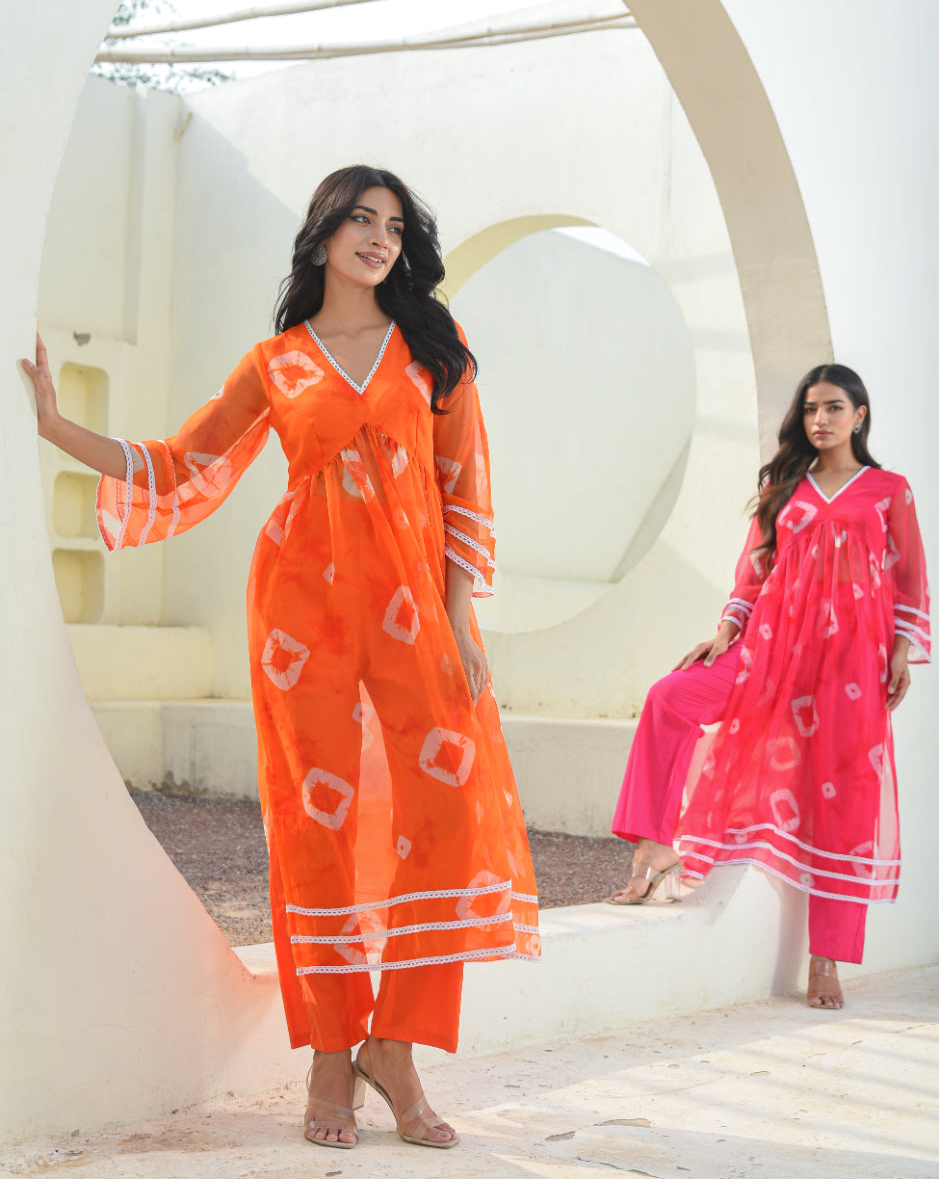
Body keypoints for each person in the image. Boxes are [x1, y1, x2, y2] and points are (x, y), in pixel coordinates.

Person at [23, 164, 540, 1149]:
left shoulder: (435, 346)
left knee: (440, 809)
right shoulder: (279, 362)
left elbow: (464, 482)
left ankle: (398, 1041)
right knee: (318, 829)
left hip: (416, 612)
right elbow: (184, 463)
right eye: (360, 219)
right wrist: (53, 427)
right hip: (302, 619)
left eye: (394, 225)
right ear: (322, 236)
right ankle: (333, 1052)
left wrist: (461, 614)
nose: (379, 237)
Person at [608, 365, 929, 1009]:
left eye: (835, 408)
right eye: (811, 408)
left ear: (859, 415)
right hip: (769, 652)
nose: (821, 420)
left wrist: (899, 652)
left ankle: (827, 959)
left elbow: (910, 581)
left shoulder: (889, 490)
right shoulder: (787, 488)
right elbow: (752, 577)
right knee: (671, 697)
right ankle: (653, 844)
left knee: (845, 801)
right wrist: (726, 632)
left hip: (849, 668)